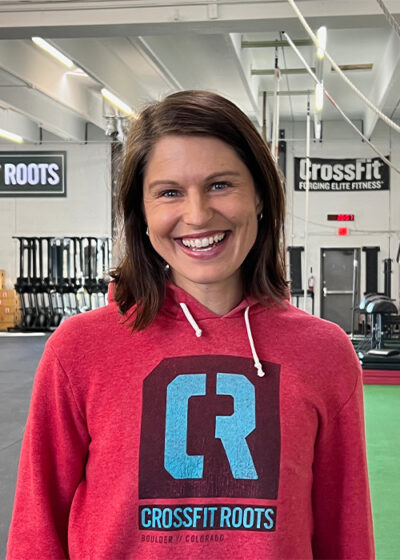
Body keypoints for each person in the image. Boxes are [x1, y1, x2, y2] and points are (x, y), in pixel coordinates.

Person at [6, 90, 374, 559]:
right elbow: (35, 532)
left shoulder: (325, 352)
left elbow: (347, 537)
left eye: (221, 184)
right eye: (169, 192)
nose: (197, 215)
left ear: (260, 194)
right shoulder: (78, 349)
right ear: (141, 213)